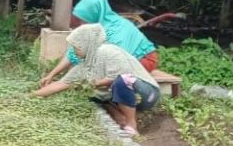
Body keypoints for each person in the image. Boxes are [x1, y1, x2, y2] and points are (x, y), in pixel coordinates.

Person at [32, 23, 160, 135]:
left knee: (122, 80)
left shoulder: (109, 51)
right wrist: (32, 95)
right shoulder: (83, 66)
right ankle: (119, 116)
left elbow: (117, 76)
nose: (74, 50)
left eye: (77, 46)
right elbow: (61, 84)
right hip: (126, 96)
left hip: (147, 94)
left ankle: (132, 125)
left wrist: (95, 83)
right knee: (93, 95)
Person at [38, 0, 158, 88]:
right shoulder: (94, 27)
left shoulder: (117, 29)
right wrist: (52, 74)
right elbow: (73, 52)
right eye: (80, 20)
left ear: (95, 15)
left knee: (111, 77)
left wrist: (84, 80)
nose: (82, 24)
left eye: (85, 20)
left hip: (143, 59)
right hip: (115, 60)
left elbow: (115, 61)